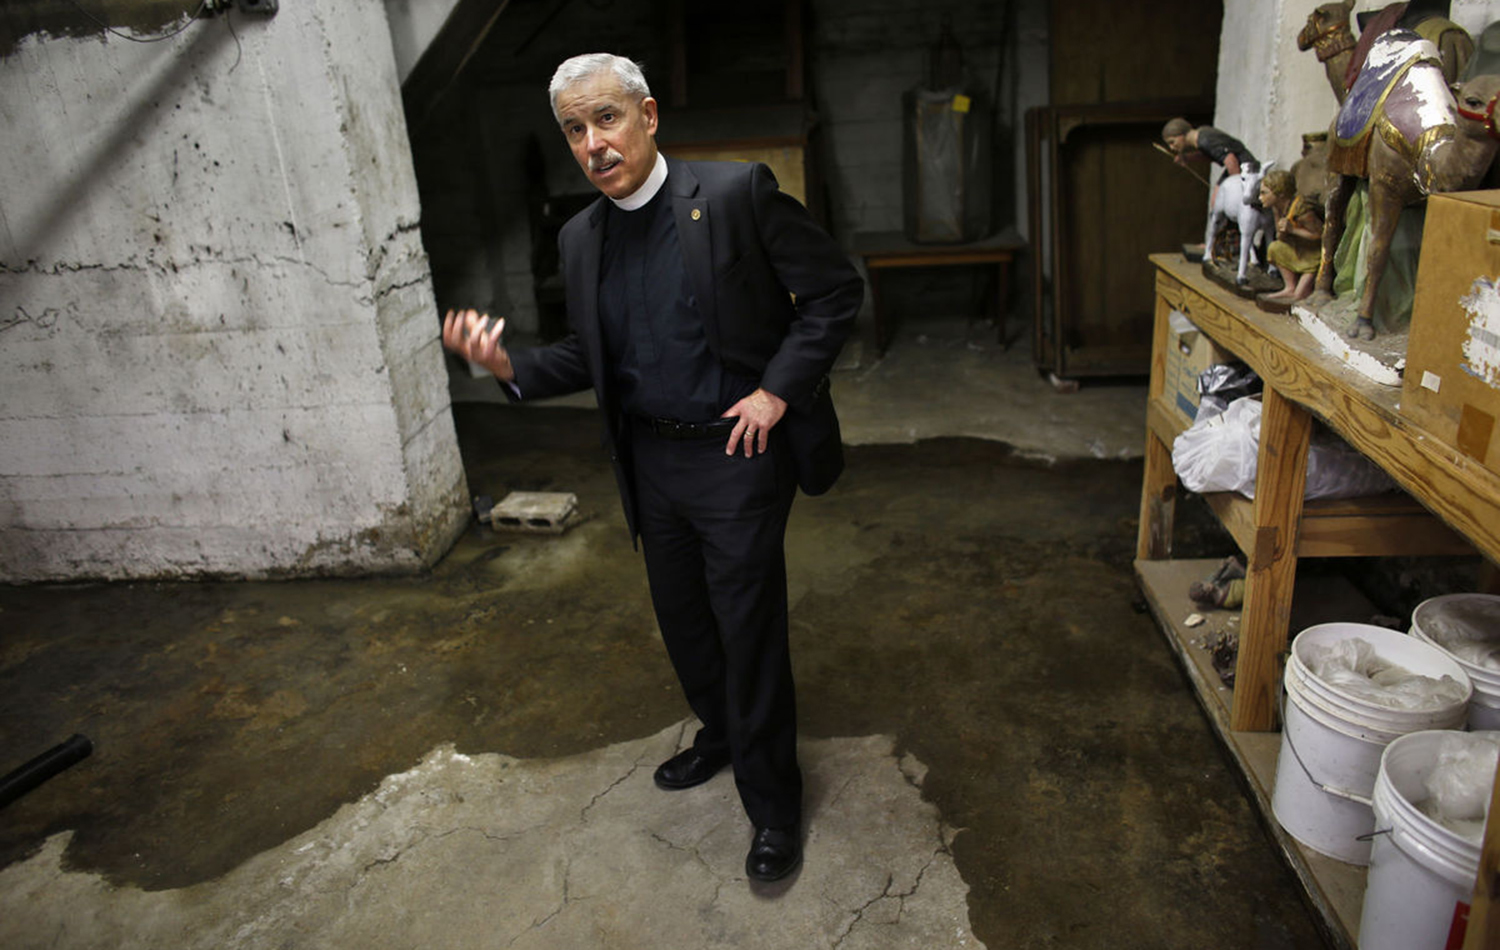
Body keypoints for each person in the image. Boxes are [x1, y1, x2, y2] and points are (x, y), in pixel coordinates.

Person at [441, 53, 862, 884]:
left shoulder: (737, 196)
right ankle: (721, 733)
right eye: (574, 129)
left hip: (736, 456)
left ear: (648, 115)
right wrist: (505, 364)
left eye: (606, 119)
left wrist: (777, 392)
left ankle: (774, 805)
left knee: (748, 634)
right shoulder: (579, 237)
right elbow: (588, 354)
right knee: (685, 624)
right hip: (651, 461)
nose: (593, 143)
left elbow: (831, 295)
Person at [1258, 168, 1323, 304]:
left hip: (1312, 255)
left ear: (1280, 194)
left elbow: (1319, 234)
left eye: (1264, 193)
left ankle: (1301, 291)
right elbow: (1280, 237)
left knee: (1299, 296)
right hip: (1297, 249)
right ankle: (1290, 287)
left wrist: (1293, 230)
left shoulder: (1302, 209)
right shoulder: (1277, 208)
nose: (1260, 198)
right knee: (1275, 248)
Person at [1161, 118, 1259, 177]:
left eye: (1172, 142)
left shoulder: (1205, 140)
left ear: (1181, 135)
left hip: (1245, 167)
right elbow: (1211, 154)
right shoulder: (1201, 136)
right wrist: (1187, 158)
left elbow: (1230, 160)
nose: (1171, 147)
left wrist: (1235, 186)